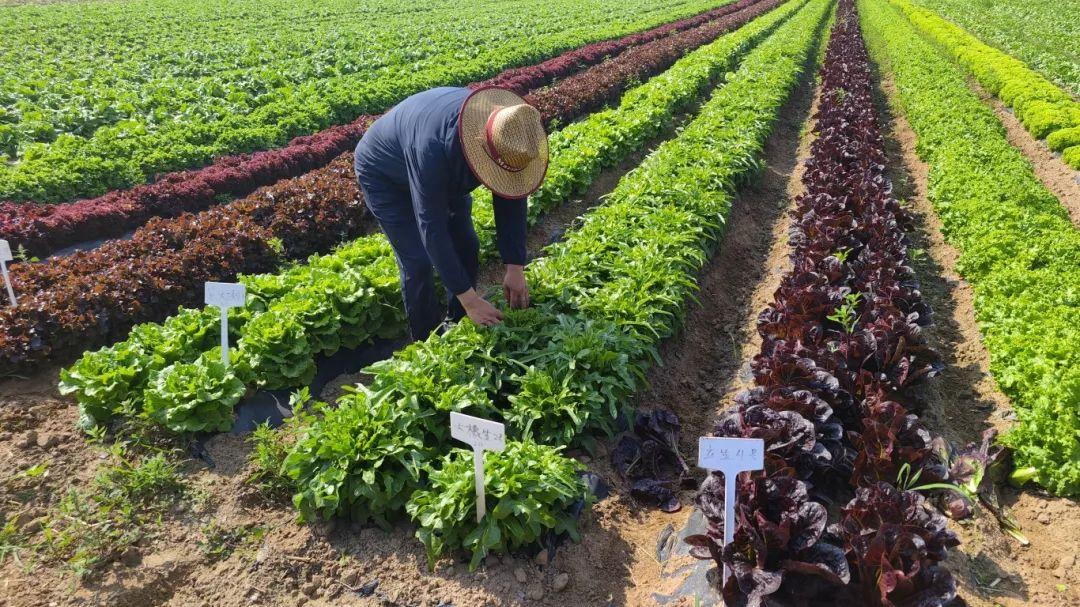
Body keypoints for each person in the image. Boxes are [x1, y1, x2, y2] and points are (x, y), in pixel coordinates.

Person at [354, 86, 548, 341]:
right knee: (418, 261)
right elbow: (431, 227)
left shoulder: (507, 133)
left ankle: (457, 320)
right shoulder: (433, 150)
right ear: (481, 149)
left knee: (466, 242)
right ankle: (426, 342)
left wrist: (515, 266)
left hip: (440, 161)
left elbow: (510, 199)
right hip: (383, 173)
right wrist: (471, 299)